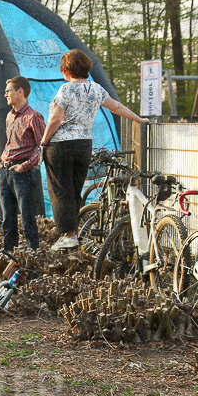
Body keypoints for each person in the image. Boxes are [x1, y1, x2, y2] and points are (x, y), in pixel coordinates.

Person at [41, 49, 146, 250]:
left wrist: (44, 141)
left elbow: (56, 118)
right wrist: (138, 119)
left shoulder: (66, 89)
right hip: (84, 145)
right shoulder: (96, 89)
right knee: (75, 189)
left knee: (60, 189)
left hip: (61, 145)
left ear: (67, 69)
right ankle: (73, 232)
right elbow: (116, 107)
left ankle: (68, 235)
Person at [0, 76, 45, 251]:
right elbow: (10, 145)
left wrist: (25, 166)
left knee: (28, 218)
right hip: (5, 172)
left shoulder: (34, 117)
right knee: (7, 219)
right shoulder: (9, 116)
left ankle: (32, 253)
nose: (5, 95)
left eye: (8, 91)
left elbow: (43, 149)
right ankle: (9, 253)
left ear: (20, 91)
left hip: (23, 173)